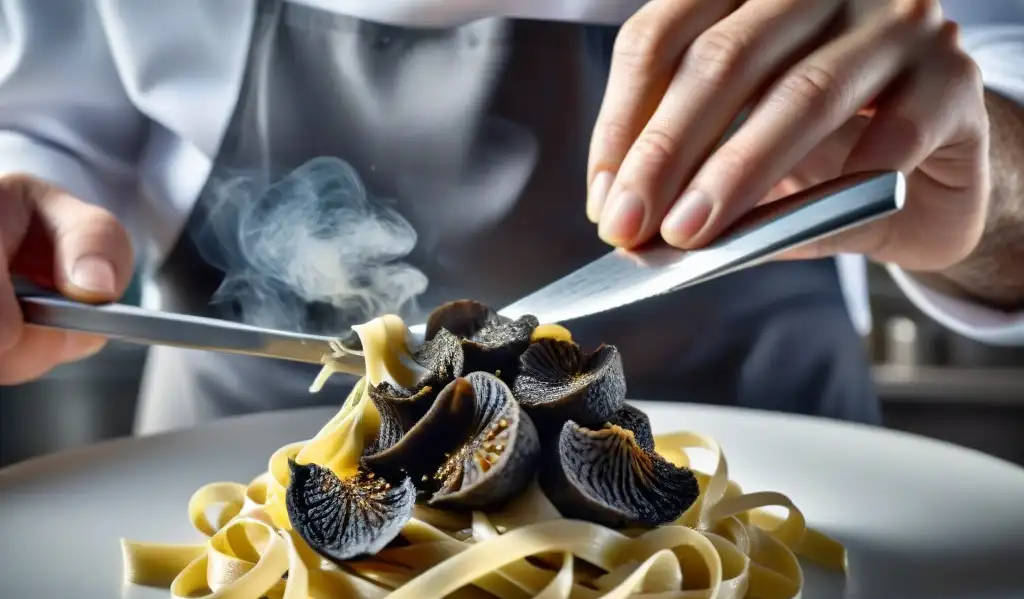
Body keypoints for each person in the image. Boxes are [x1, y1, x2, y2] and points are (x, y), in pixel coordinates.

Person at [0, 0, 1021, 435]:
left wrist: (975, 175)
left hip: (787, 578)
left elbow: (992, 144)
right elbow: (39, 126)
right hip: (229, 558)